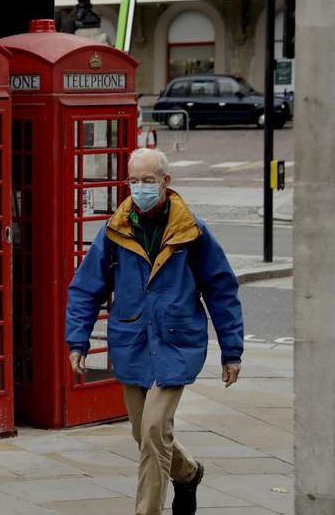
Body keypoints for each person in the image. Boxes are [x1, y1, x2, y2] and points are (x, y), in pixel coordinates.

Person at [65, 148, 244, 515]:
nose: (140, 188)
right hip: (132, 341)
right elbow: (85, 288)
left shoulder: (191, 231)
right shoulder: (115, 230)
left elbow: (221, 290)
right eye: (133, 181)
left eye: (148, 181)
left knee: (152, 431)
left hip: (177, 343)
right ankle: (189, 473)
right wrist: (77, 341)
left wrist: (232, 351)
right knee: (143, 433)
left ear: (166, 181)